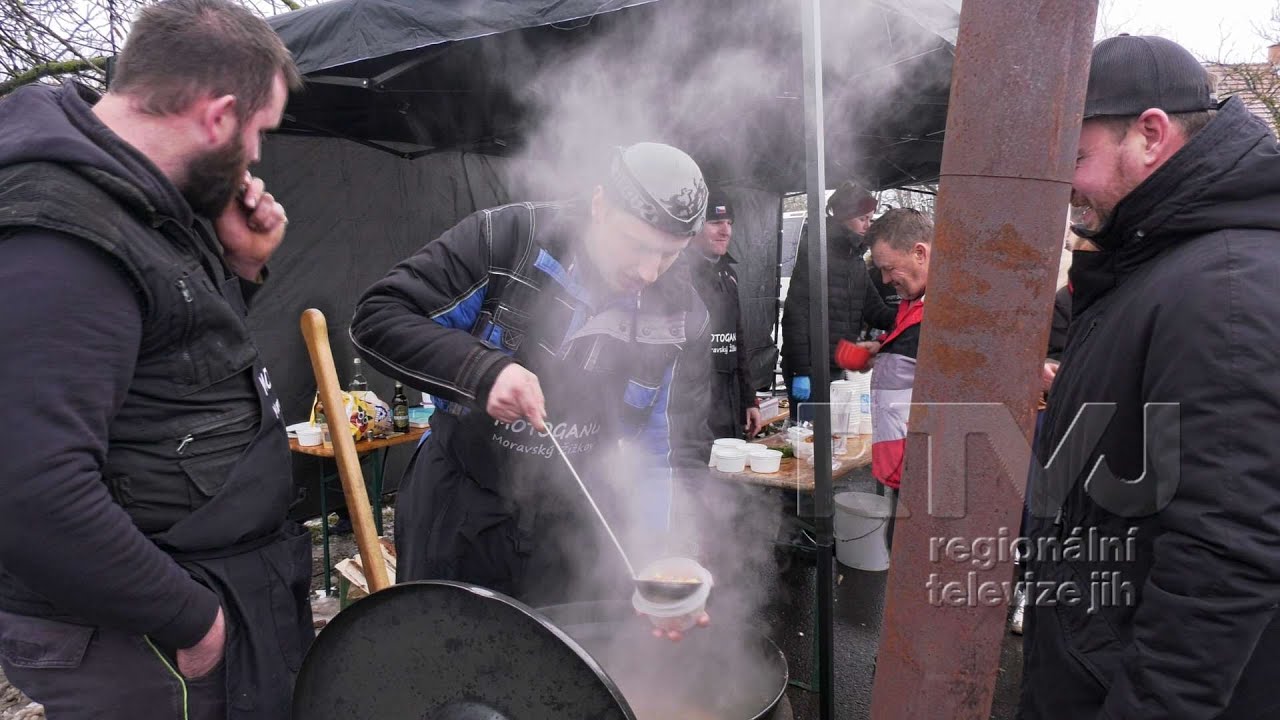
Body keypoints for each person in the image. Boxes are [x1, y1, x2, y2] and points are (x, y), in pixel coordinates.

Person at [0, 1, 311, 718]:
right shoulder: (63, 235)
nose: (258, 157)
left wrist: (238, 268)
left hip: (207, 587)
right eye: (260, 131)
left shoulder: (147, 205)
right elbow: (31, 493)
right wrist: (191, 622)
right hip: (139, 638)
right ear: (219, 115)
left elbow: (168, 375)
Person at [1019, 35, 1280, 719]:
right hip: (1090, 658)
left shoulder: (1223, 289)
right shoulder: (1156, 266)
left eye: (1077, 157)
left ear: (1151, 134)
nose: (1068, 186)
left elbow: (1223, 559)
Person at [350, 142, 713, 607]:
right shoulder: (508, 240)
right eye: (637, 245)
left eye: (669, 255)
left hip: (572, 521)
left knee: (561, 666)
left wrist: (670, 562)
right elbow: (379, 316)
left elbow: (671, 448)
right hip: (460, 501)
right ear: (600, 205)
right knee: (442, 658)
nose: (648, 271)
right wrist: (483, 370)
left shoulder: (682, 315)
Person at [843, 209, 932, 548]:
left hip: (927, 478)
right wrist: (881, 349)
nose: (884, 280)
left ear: (920, 253)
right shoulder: (913, 306)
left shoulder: (947, 315)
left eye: (888, 268)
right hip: (903, 472)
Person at [781, 180, 896, 417]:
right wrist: (800, 371)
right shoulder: (817, 251)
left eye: (870, 218)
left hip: (838, 364)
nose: (868, 225)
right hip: (810, 369)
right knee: (808, 442)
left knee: (836, 440)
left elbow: (875, 310)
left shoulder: (855, 260)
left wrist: (913, 314)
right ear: (845, 216)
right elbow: (796, 314)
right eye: (863, 218)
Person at [678, 187, 763, 440]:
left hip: (728, 399)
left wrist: (749, 399)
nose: (726, 230)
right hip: (692, 406)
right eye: (715, 222)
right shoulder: (677, 274)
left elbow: (738, 340)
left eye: (729, 222)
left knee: (728, 475)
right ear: (695, 226)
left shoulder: (728, 274)